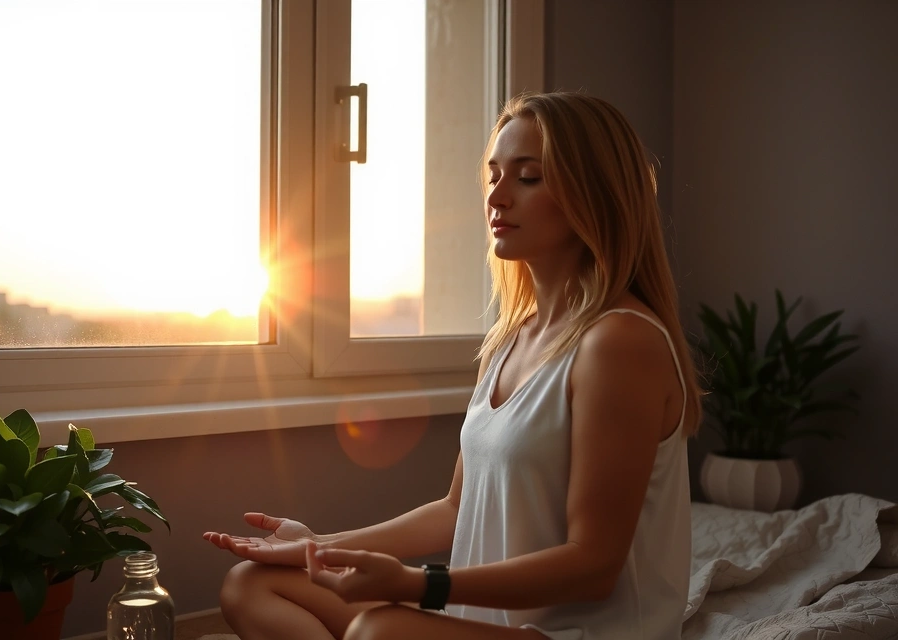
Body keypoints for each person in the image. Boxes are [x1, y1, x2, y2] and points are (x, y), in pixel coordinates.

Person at [203, 91, 703, 640]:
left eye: (528, 177)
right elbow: (454, 508)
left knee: (379, 630)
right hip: (483, 628)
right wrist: (319, 548)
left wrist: (420, 585)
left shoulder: (620, 342)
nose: (498, 195)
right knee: (251, 583)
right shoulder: (512, 337)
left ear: (595, 194)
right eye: (493, 175)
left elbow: (594, 567)